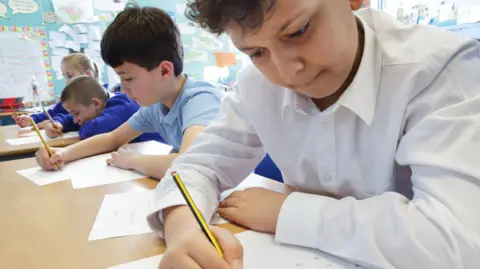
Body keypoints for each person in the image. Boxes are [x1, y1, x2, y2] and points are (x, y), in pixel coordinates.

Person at [148, 1, 480, 269]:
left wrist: (288, 212)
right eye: (255, 52)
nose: (286, 71)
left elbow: (458, 243)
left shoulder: (440, 70)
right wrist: (184, 232)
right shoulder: (257, 85)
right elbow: (194, 168)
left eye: (298, 31)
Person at [34, 6, 222, 180]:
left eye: (128, 79)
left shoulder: (200, 100)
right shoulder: (158, 105)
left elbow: (189, 166)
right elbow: (112, 138)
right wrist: (63, 153)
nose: (123, 89)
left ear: (164, 71)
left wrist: (133, 160)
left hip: (243, 190)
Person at [48, 75, 162, 143]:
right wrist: (59, 122)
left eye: (76, 113)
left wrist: (79, 124)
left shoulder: (122, 107)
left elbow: (91, 131)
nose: (75, 120)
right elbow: (70, 119)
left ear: (96, 103)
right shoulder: (104, 105)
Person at [12, 53, 99, 129]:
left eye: (70, 76)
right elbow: (53, 113)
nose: (67, 81)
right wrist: (31, 119)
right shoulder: (70, 98)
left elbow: (83, 118)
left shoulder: (101, 98)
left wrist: (56, 122)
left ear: (88, 75)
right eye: (65, 77)